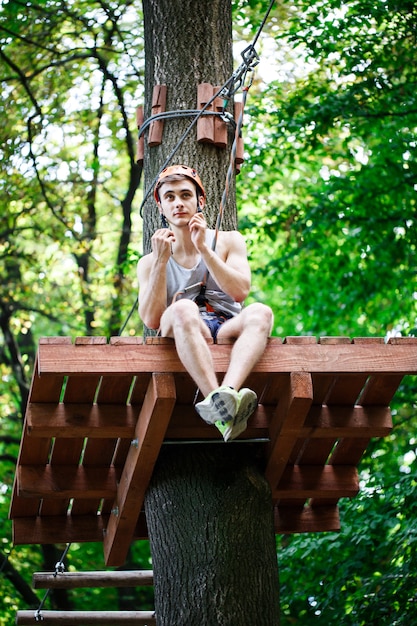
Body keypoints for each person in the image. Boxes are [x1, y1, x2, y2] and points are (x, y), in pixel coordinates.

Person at [137, 164, 273, 441]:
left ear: (199, 201)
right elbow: (151, 319)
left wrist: (204, 250)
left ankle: (227, 395)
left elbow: (240, 292)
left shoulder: (229, 241)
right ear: (160, 208)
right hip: (183, 326)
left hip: (225, 325)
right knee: (185, 308)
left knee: (261, 311)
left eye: (185, 195)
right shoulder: (149, 261)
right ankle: (215, 396)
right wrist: (162, 261)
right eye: (170, 197)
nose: (178, 203)